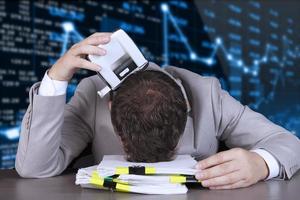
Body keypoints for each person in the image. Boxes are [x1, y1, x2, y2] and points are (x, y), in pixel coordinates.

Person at [15, 33, 300, 190]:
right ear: (110, 107)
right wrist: (56, 79)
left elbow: (290, 143)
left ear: (187, 106)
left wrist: (261, 164)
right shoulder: (93, 97)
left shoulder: (207, 95)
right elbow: (35, 167)